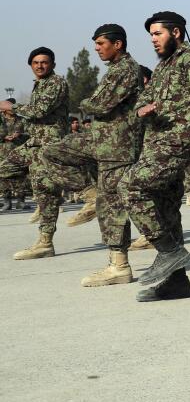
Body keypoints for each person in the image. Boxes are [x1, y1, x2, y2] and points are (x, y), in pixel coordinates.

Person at [122, 12, 190, 302]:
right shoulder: (163, 65)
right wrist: (142, 109)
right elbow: (143, 97)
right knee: (165, 209)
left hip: (179, 140)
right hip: (157, 142)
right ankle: (177, 283)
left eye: (157, 34)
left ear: (176, 32)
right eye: (151, 35)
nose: (153, 40)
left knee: (131, 186)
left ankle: (169, 251)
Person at [39, 24, 144, 285]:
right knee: (51, 152)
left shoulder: (127, 70)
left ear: (117, 44)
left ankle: (119, 266)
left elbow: (101, 103)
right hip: (100, 139)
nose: (97, 49)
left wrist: (86, 102)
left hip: (117, 147)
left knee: (113, 205)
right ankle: (89, 193)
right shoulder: (115, 71)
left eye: (101, 44)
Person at [2, 47, 69, 259]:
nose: (40, 66)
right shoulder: (39, 85)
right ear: (31, 65)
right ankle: (44, 199)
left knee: (46, 191)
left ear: (53, 65)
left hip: (48, 145)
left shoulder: (56, 83)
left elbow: (39, 110)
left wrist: (10, 107)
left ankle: (45, 242)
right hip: (34, 144)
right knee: (6, 168)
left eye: (44, 62)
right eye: (35, 63)